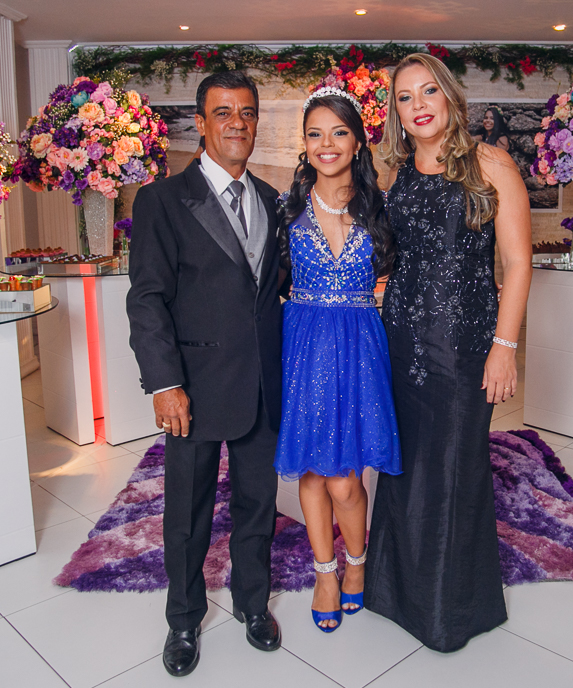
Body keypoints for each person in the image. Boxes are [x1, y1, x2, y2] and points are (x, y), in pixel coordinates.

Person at [364, 53, 533, 652]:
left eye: (428, 91)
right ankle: (393, 591)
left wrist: (504, 348)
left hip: (464, 344)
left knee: (456, 467)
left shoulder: (490, 163)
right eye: (405, 98)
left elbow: (516, 264)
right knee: (403, 463)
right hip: (400, 338)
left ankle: (450, 611)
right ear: (395, 112)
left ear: (450, 97)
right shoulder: (397, 170)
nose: (419, 106)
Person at [127, 70, 283, 678]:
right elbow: (147, 298)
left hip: (263, 383)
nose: (237, 123)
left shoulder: (272, 199)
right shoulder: (163, 200)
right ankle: (184, 619)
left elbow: (275, 293)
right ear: (201, 121)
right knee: (187, 512)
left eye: (246, 112)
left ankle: (252, 604)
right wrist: (165, 383)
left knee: (258, 503)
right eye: (224, 113)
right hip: (191, 387)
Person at [273, 88, 401, 633]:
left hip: (358, 345)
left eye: (339, 132)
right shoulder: (286, 209)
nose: (327, 144)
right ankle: (326, 573)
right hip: (303, 345)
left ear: (357, 141)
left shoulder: (380, 207)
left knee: (346, 479)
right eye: (316, 133)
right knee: (310, 470)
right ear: (304, 143)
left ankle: (356, 563)